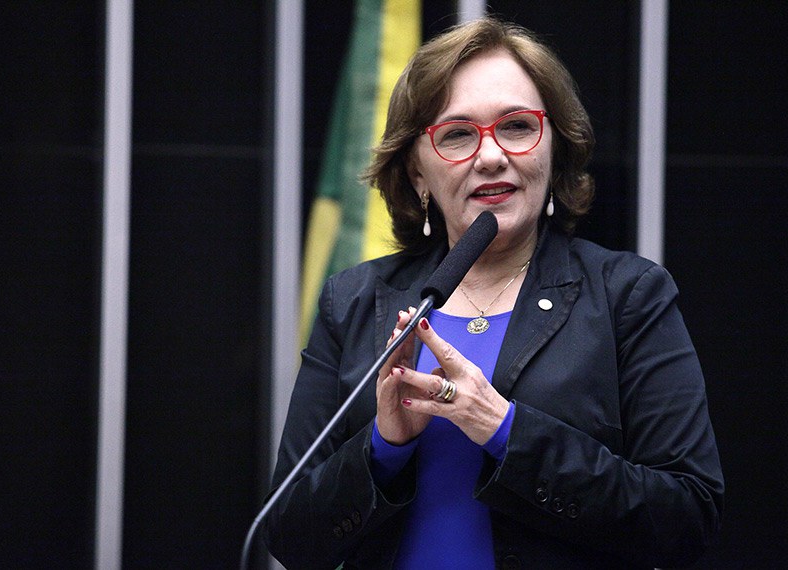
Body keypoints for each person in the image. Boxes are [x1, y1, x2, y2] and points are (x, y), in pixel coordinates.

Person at [263, 17, 723, 569]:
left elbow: (685, 519)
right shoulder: (356, 300)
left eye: (517, 126)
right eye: (457, 134)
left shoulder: (628, 296)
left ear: (552, 149)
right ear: (417, 173)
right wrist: (384, 446)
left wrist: (503, 428)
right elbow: (290, 536)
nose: (490, 155)